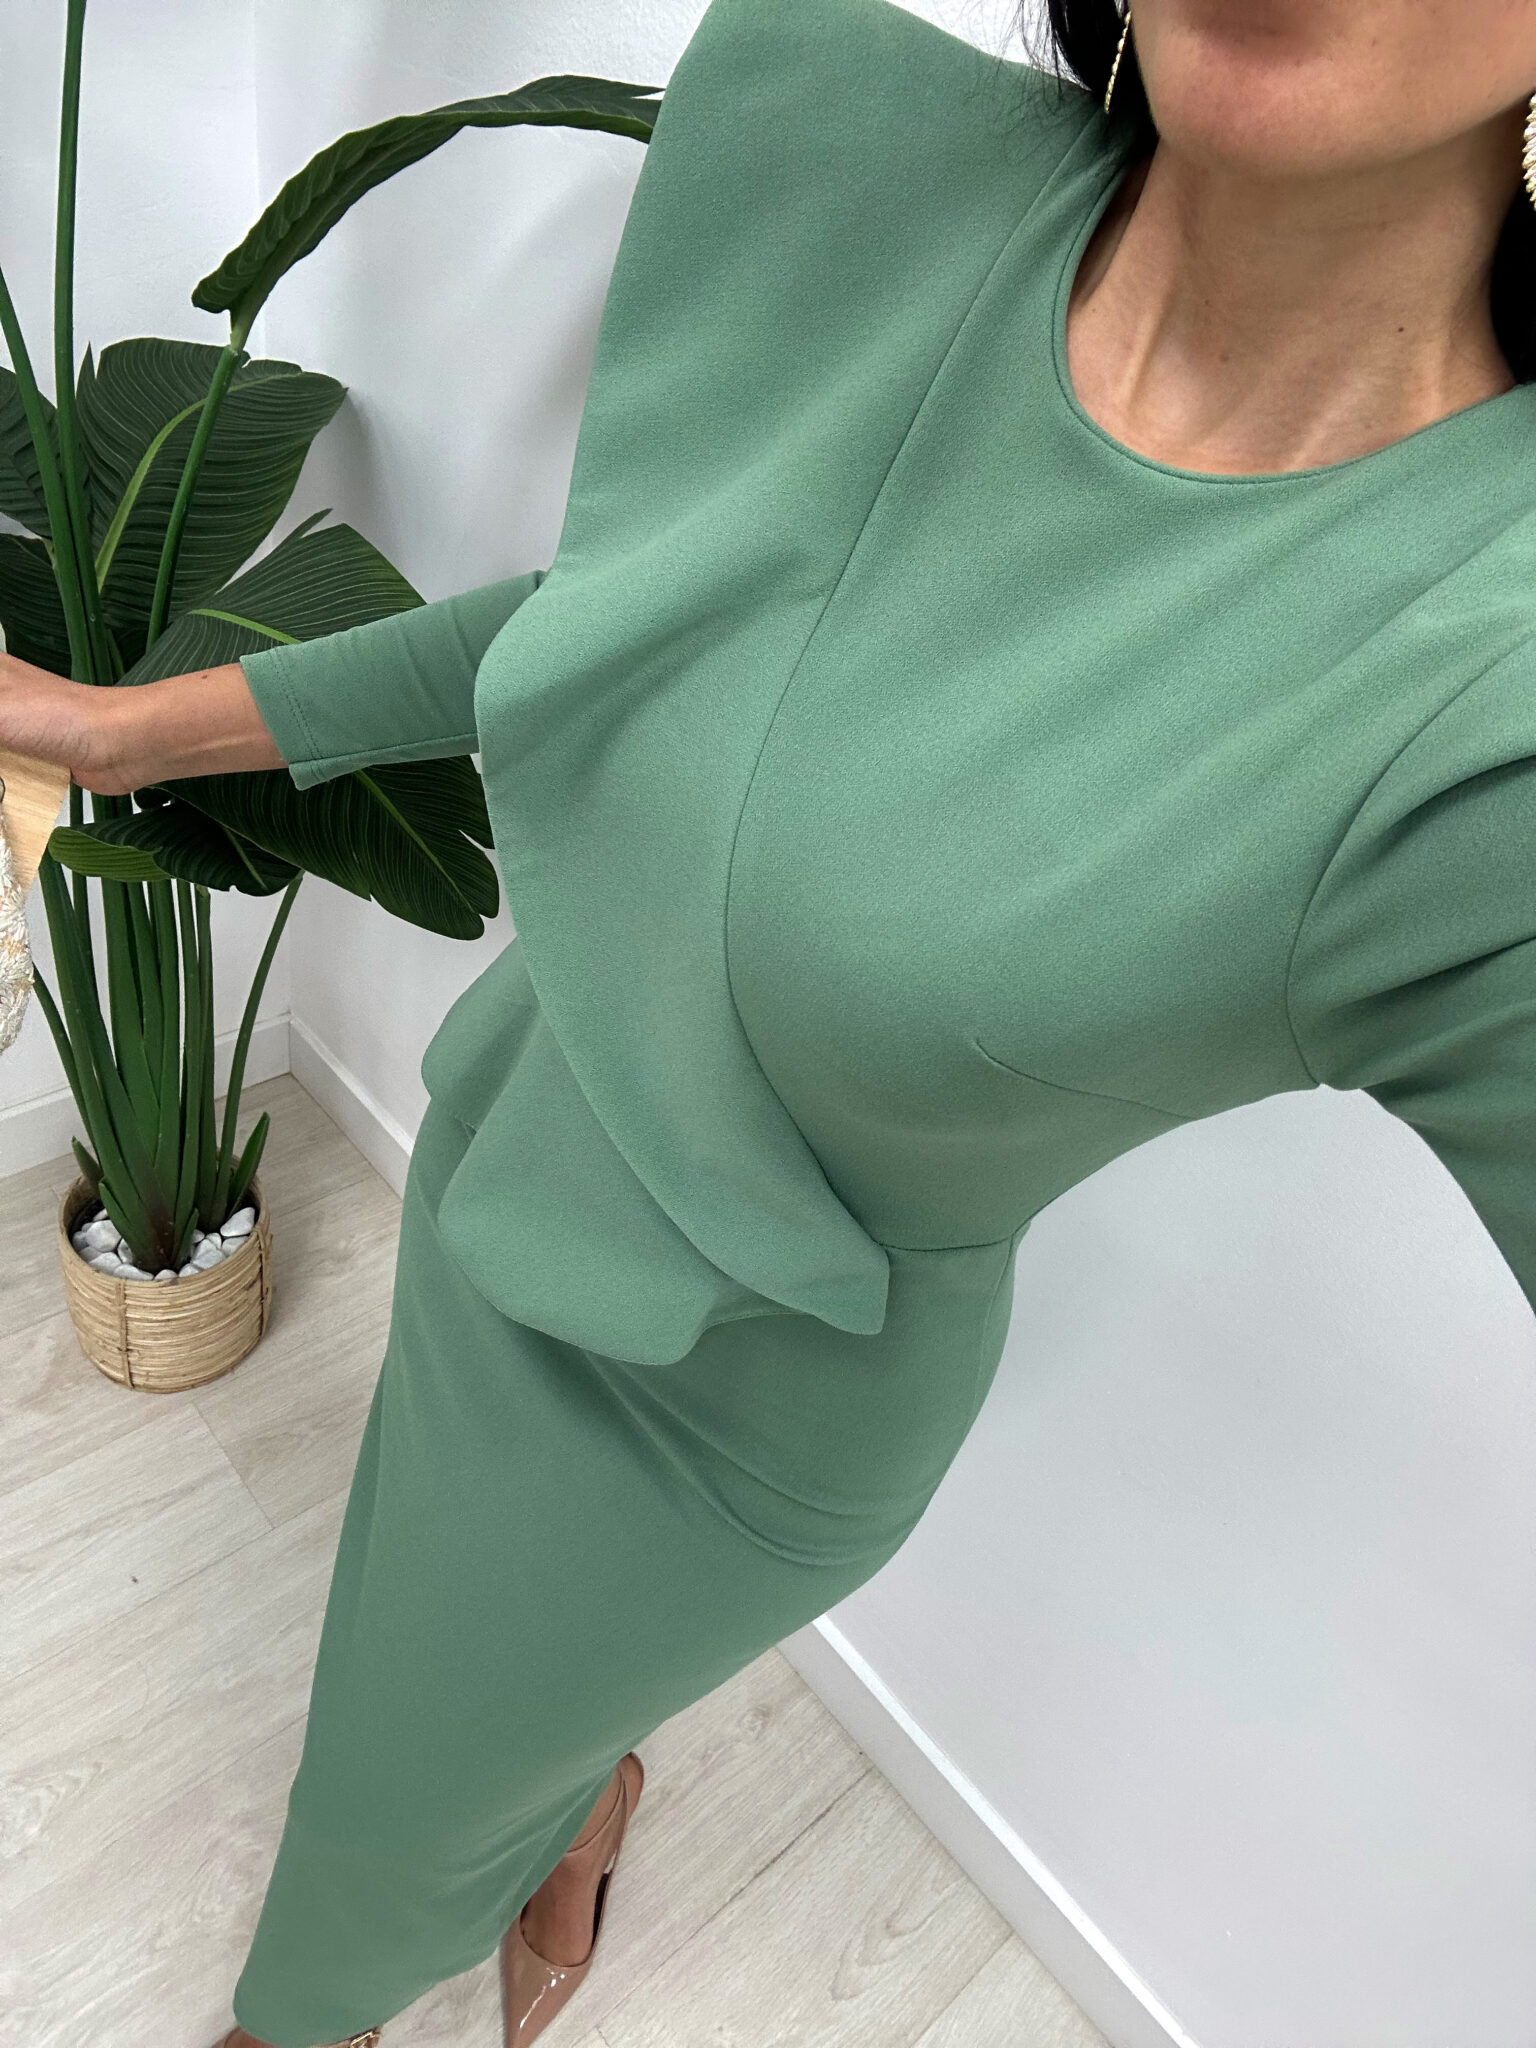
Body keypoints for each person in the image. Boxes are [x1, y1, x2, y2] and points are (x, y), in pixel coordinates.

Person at [5, 0, 1536, 2041]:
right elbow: (617, 630)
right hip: (505, 1169)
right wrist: (114, 731)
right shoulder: (876, 166)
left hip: (728, 1412)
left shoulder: (1488, 696)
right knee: (417, 1678)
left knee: (374, 1819)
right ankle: (579, 1802)